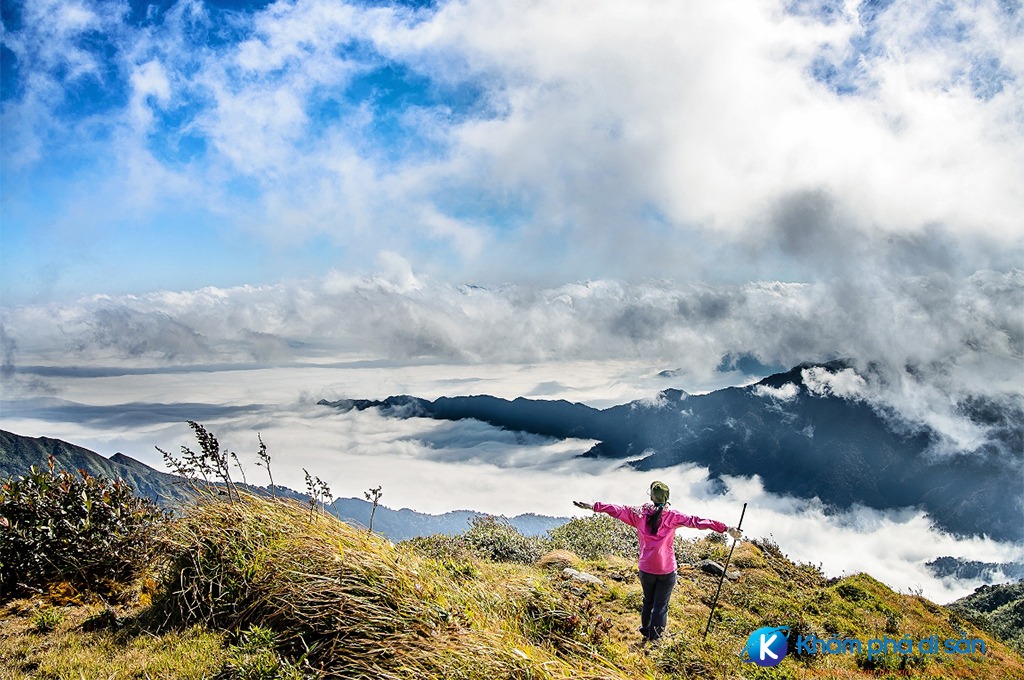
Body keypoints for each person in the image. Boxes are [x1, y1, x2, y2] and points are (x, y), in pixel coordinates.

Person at [573, 481, 741, 643]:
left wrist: (594, 506)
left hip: (646, 568)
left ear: (651, 497)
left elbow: (617, 510)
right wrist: (726, 529)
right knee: (661, 606)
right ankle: (656, 639)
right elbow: (698, 521)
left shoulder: (639, 514)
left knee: (648, 601)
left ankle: (645, 631)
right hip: (667, 569)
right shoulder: (674, 516)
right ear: (666, 498)